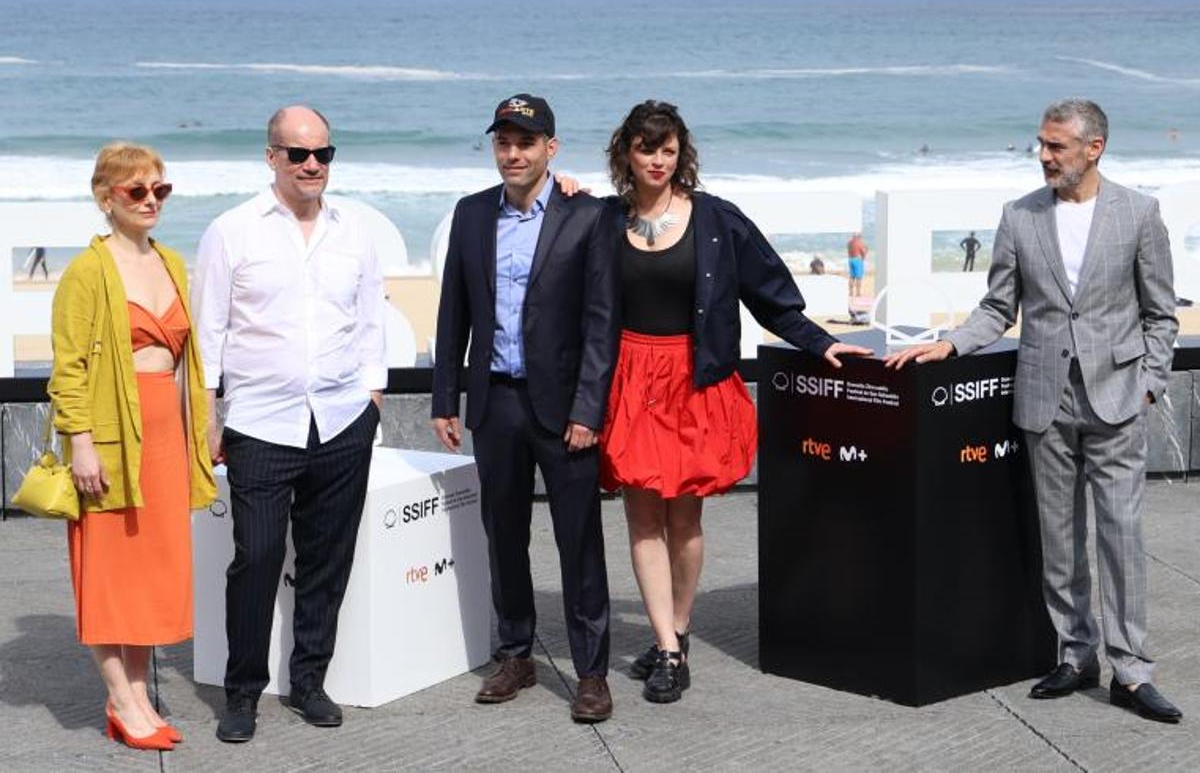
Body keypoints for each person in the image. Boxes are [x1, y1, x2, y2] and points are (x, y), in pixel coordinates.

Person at [885, 99, 1182, 724]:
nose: (1044, 157)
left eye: (1056, 147)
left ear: (1094, 147)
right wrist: (952, 342)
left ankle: (1132, 671)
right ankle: (1077, 655)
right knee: (1059, 538)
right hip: (1045, 397)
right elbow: (999, 308)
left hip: (1118, 397)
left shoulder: (1139, 213)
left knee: (1120, 536)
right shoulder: (1018, 217)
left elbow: (1161, 314)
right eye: (1041, 146)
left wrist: (1150, 383)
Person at [600, 101, 871, 703]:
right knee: (641, 517)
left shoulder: (718, 220)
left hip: (694, 380)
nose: (657, 161)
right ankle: (669, 651)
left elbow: (772, 298)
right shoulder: (601, 220)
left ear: (681, 154)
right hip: (630, 379)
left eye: (667, 150)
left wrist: (821, 343)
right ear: (626, 154)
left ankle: (679, 627)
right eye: (646, 149)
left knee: (685, 520)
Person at [193, 106, 386, 742]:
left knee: (328, 557)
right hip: (260, 423)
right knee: (258, 555)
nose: (312, 166)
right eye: (299, 154)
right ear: (271, 156)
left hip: (339, 420)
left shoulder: (354, 229)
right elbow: (209, 334)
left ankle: (308, 681)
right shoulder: (231, 231)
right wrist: (211, 418)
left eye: (323, 155)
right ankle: (242, 692)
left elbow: (369, 320)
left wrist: (373, 395)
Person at [431, 94, 620, 723]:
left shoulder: (586, 215)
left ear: (551, 149)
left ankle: (592, 672)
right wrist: (444, 398)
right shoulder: (471, 213)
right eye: (503, 143)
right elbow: (453, 309)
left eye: (526, 143)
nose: (513, 154)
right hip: (494, 402)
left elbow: (602, 323)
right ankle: (516, 654)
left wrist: (589, 409)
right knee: (503, 537)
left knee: (579, 542)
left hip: (566, 410)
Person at [49, 142, 217, 751]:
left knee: (153, 574)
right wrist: (83, 445)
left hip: (168, 437)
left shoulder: (171, 261)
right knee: (109, 573)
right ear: (106, 199)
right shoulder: (86, 272)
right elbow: (67, 368)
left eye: (160, 191)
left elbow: (185, 363)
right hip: (114, 441)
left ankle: (139, 694)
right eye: (137, 192)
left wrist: (203, 426)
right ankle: (121, 698)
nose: (152, 201)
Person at [847, 232, 868, 298]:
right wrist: (863, 257)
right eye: (860, 236)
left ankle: (850, 292)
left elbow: (849, 252)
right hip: (857, 260)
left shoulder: (849, 243)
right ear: (858, 236)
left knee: (852, 277)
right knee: (858, 277)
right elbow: (863, 252)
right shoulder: (859, 242)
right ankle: (858, 293)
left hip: (850, 259)